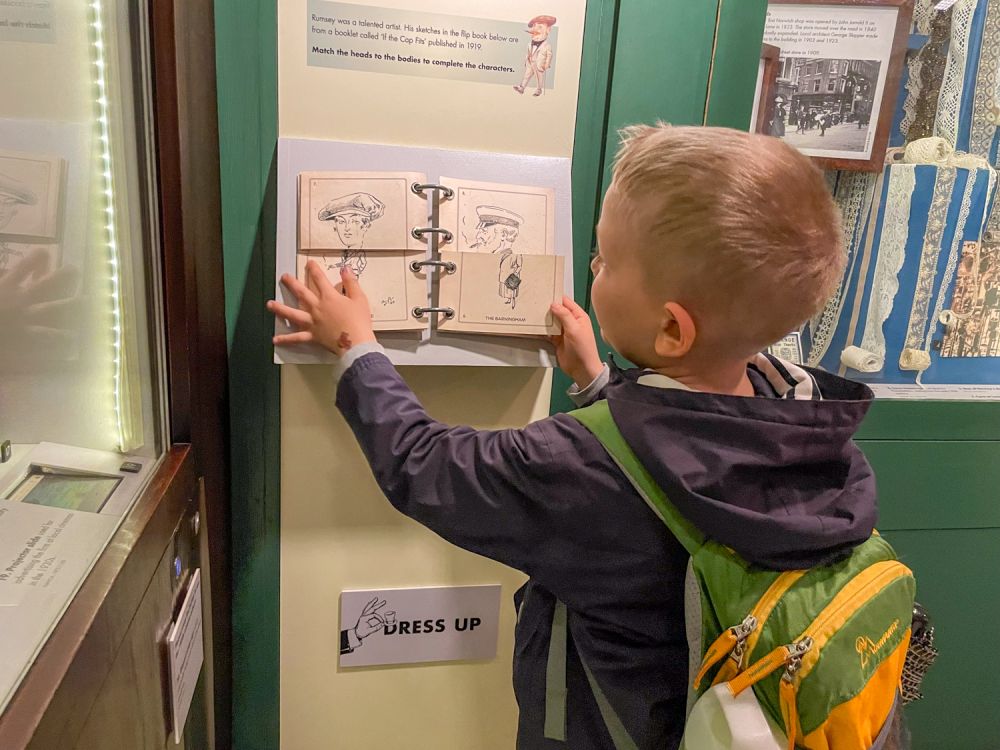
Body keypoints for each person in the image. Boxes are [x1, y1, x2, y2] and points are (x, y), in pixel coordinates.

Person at [268, 125, 881, 749]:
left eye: (607, 260)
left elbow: (425, 464)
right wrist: (598, 385)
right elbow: (687, 458)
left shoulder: (577, 464)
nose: (592, 267)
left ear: (671, 329)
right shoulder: (805, 419)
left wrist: (356, 348)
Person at [316, 191, 385, 277]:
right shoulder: (326, 260)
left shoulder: (377, 264)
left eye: (354, 221)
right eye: (341, 221)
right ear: (335, 227)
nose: (347, 228)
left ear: (366, 225)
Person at [513, 15, 556, 97]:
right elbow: (529, 52)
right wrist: (527, 60)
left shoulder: (546, 45)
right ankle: (521, 87)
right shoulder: (529, 43)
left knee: (538, 77)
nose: (535, 30)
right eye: (534, 26)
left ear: (548, 30)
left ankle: (539, 90)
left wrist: (546, 64)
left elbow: (549, 55)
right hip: (530, 63)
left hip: (539, 64)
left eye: (540, 27)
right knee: (526, 75)